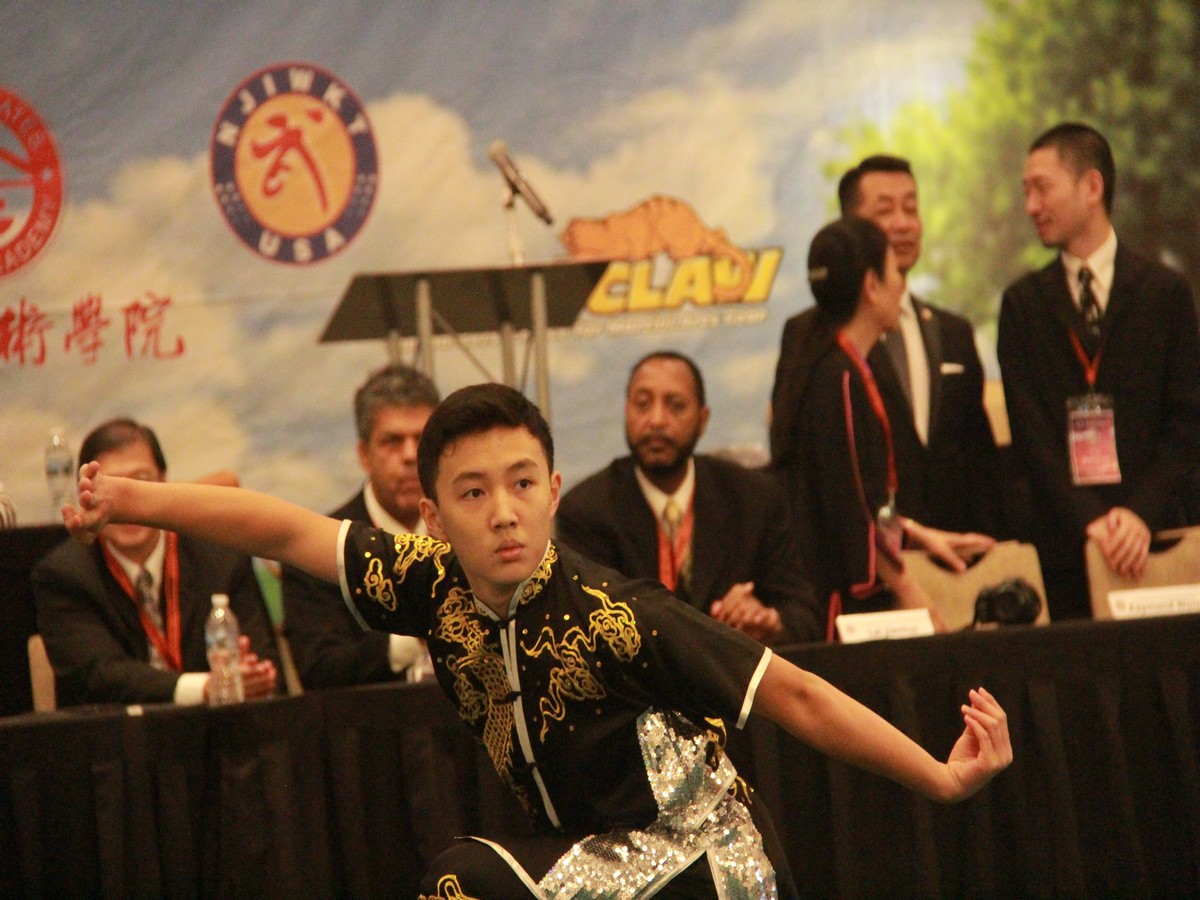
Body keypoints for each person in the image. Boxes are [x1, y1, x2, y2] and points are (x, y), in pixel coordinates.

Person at [63, 383, 1012, 896]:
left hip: (706, 865)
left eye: (523, 483)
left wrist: (940, 777)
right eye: (474, 492)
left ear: (554, 491)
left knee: (459, 884)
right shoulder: (426, 584)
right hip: (590, 862)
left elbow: (796, 695)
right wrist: (131, 499)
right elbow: (278, 528)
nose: (504, 512)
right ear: (432, 514)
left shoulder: (616, 615)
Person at [999, 122, 1200, 620]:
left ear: (1092, 186)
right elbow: (1030, 434)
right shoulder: (1023, 305)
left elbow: (1188, 422)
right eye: (1025, 192)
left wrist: (1139, 515)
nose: (1031, 206)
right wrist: (1090, 521)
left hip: (1160, 539)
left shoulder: (1166, 293)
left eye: (1042, 188)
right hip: (1065, 549)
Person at [772, 217, 994, 637]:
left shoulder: (832, 364)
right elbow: (851, 508)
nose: (901, 286)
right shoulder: (838, 376)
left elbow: (865, 500)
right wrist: (911, 592)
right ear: (871, 286)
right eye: (894, 271)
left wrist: (917, 534)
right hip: (838, 608)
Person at [772, 155, 1003, 536]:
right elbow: (798, 466)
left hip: (954, 551)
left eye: (911, 208)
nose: (903, 223)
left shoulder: (954, 333)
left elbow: (981, 462)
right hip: (861, 553)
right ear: (851, 226)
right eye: (885, 211)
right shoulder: (811, 335)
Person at [557, 350, 824, 645]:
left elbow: (804, 615)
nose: (656, 420)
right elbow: (581, 632)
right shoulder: (587, 512)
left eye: (675, 405)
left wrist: (767, 620)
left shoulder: (755, 499)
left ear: (702, 419)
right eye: (642, 404)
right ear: (626, 411)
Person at [33, 418, 279, 707]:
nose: (126, 503)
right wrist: (205, 687)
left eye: (141, 481)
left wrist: (254, 676)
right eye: (109, 487)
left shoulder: (221, 556)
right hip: (120, 732)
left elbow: (266, 663)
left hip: (221, 731)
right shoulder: (63, 576)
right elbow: (99, 677)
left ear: (164, 483)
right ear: (84, 496)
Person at [282, 363, 440, 687]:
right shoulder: (321, 545)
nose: (411, 455)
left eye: (422, 439)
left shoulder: (470, 533)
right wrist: (418, 638)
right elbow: (319, 668)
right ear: (364, 454)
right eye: (393, 441)